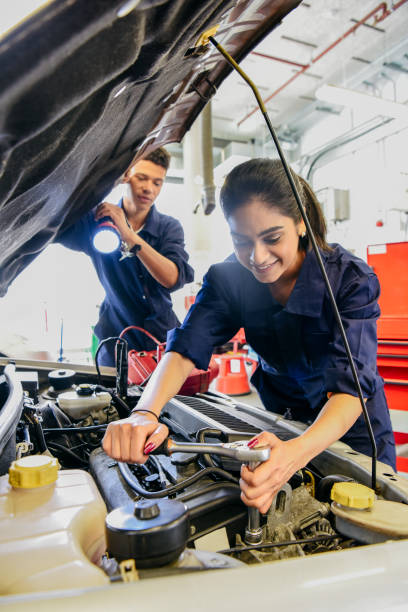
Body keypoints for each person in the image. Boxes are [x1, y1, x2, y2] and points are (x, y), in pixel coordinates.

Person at [102, 158, 396, 514]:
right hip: (279, 420)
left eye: (272, 238)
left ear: (301, 223)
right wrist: (144, 413)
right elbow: (183, 349)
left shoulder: (350, 281)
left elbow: (351, 389)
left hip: (351, 430)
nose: (257, 257)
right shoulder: (230, 279)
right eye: (241, 241)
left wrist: (296, 454)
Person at [58, 148, 194, 366]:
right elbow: (54, 223)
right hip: (115, 345)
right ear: (126, 176)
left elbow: (172, 279)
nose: (149, 188)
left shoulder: (169, 227)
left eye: (157, 183)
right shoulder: (97, 222)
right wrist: (105, 185)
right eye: (142, 178)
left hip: (161, 343)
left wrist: (129, 235)